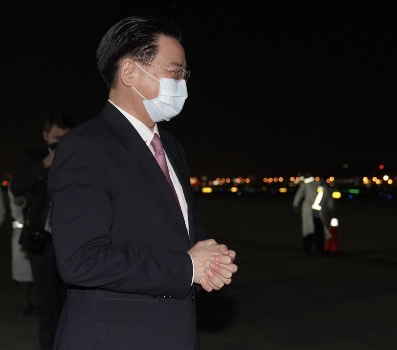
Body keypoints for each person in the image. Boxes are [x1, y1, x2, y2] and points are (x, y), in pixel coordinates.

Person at [47, 15, 238, 349]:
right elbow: (81, 260)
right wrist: (186, 268)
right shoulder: (85, 147)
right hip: (115, 338)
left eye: (184, 73)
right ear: (131, 73)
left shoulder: (172, 147)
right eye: (175, 71)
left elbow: (182, 228)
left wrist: (208, 256)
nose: (183, 83)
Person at [10, 114, 73, 350]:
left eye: (67, 139)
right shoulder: (35, 157)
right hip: (42, 243)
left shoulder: (80, 158)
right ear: (46, 136)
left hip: (72, 244)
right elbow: (17, 185)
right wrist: (47, 162)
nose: (62, 144)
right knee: (48, 307)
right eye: (57, 138)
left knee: (73, 305)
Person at [8, 186, 36, 316]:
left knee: (38, 269)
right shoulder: (16, 183)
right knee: (24, 271)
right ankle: (27, 302)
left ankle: (38, 302)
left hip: (37, 230)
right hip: (21, 232)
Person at [293, 174, 334, 255]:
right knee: (319, 231)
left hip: (309, 210)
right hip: (319, 212)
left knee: (308, 231)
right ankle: (319, 249)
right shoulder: (323, 185)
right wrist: (332, 211)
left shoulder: (307, 184)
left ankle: (307, 249)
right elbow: (330, 200)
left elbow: (298, 195)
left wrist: (295, 206)